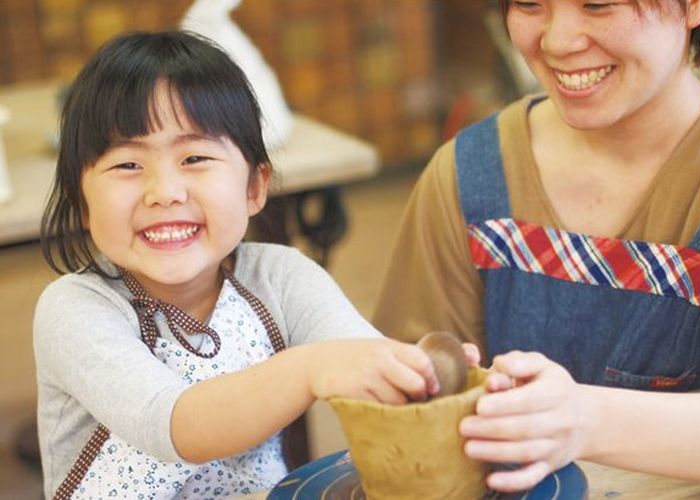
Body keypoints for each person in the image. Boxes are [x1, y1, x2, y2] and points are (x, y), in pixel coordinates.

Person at [34, 30, 442, 499]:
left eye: (195, 157)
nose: (165, 192)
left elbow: (362, 357)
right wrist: (308, 369)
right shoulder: (74, 310)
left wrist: (424, 377)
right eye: (128, 165)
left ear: (254, 186)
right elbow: (174, 425)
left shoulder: (281, 278)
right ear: (82, 204)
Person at [373, 0, 700, 493]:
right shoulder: (467, 176)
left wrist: (584, 421)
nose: (557, 41)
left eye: (597, 4)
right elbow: (402, 418)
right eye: (529, 3)